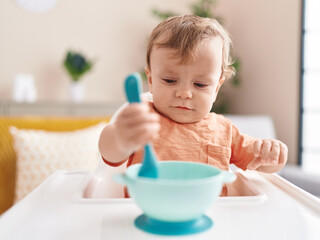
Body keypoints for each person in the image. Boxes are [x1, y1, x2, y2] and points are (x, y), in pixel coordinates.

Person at [98, 15, 288, 195]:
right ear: (151, 80)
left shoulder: (224, 130)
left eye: (200, 84)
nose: (184, 93)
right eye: (170, 80)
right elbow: (109, 151)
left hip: (213, 217)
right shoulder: (143, 119)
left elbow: (260, 165)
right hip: (145, 215)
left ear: (216, 88)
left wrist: (272, 155)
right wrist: (121, 138)